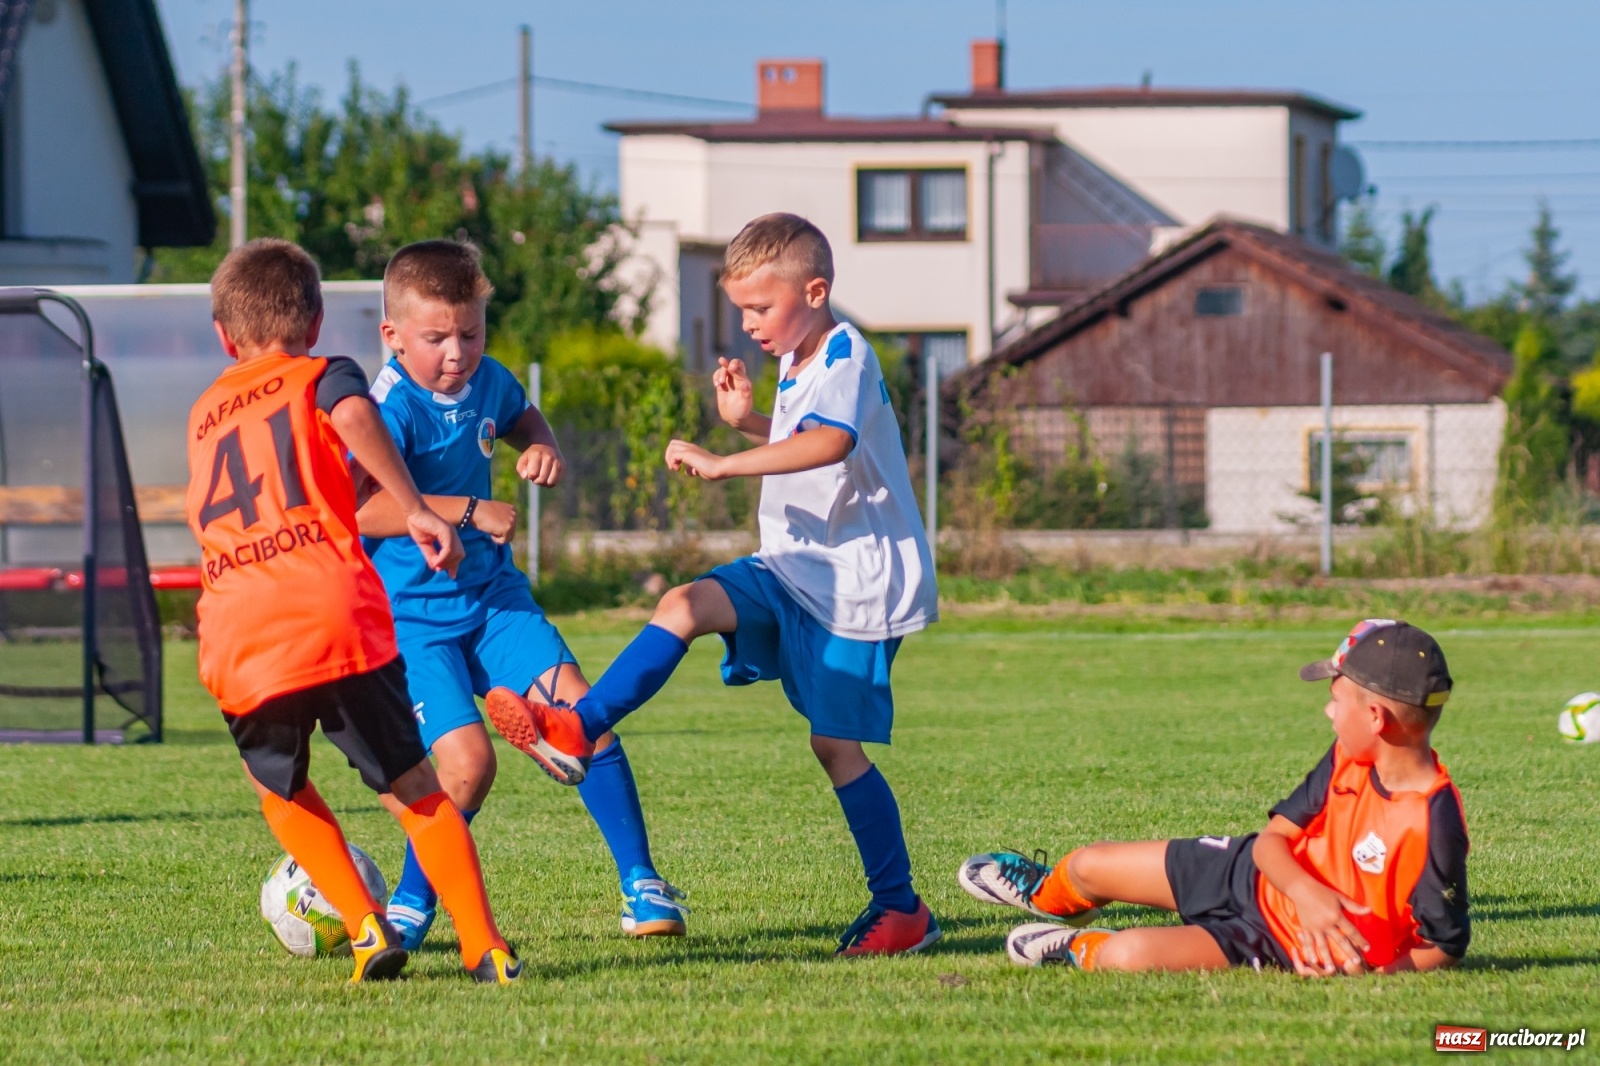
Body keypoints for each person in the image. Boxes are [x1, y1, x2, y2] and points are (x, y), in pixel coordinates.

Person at [484, 212, 942, 956]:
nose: (749, 324)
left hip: (858, 586)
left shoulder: (848, 352)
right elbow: (802, 432)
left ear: (816, 290)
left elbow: (830, 443)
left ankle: (902, 910)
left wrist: (725, 463)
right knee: (684, 602)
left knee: (836, 749)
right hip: (791, 566)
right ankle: (579, 726)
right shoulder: (798, 358)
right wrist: (749, 420)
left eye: (760, 308)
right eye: (742, 311)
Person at [186, 238, 520, 984]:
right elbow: (352, 414)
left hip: (239, 627)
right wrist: (416, 508)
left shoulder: (204, 411)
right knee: (412, 786)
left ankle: (366, 929)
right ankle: (484, 946)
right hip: (330, 608)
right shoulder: (321, 374)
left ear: (223, 336)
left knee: (276, 785)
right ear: (315, 321)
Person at [354, 239, 686, 948]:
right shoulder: (387, 406)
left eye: (470, 333)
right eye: (436, 337)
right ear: (392, 336)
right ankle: (414, 901)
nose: (456, 352)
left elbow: (522, 417)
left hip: (493, 600)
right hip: (414, 623)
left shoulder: (489, 381)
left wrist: (542, 447)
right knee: (469, 768)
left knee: (582, 715)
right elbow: (362, 510)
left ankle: (642, 885)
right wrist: (468, 511)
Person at [959, 619, 1469, 976]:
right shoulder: (1347, 756)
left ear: (1376, 719)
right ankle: (1053, 897)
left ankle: (1075, 947)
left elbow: (1443, 946)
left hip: (1277, 943)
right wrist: (1305, 893)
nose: (1329, 714)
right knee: (1091, 864)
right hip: (1247, 871)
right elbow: (1274, 841)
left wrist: (1367, 975)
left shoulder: (1433, 822)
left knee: (1127, 957)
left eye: (1335, 702)